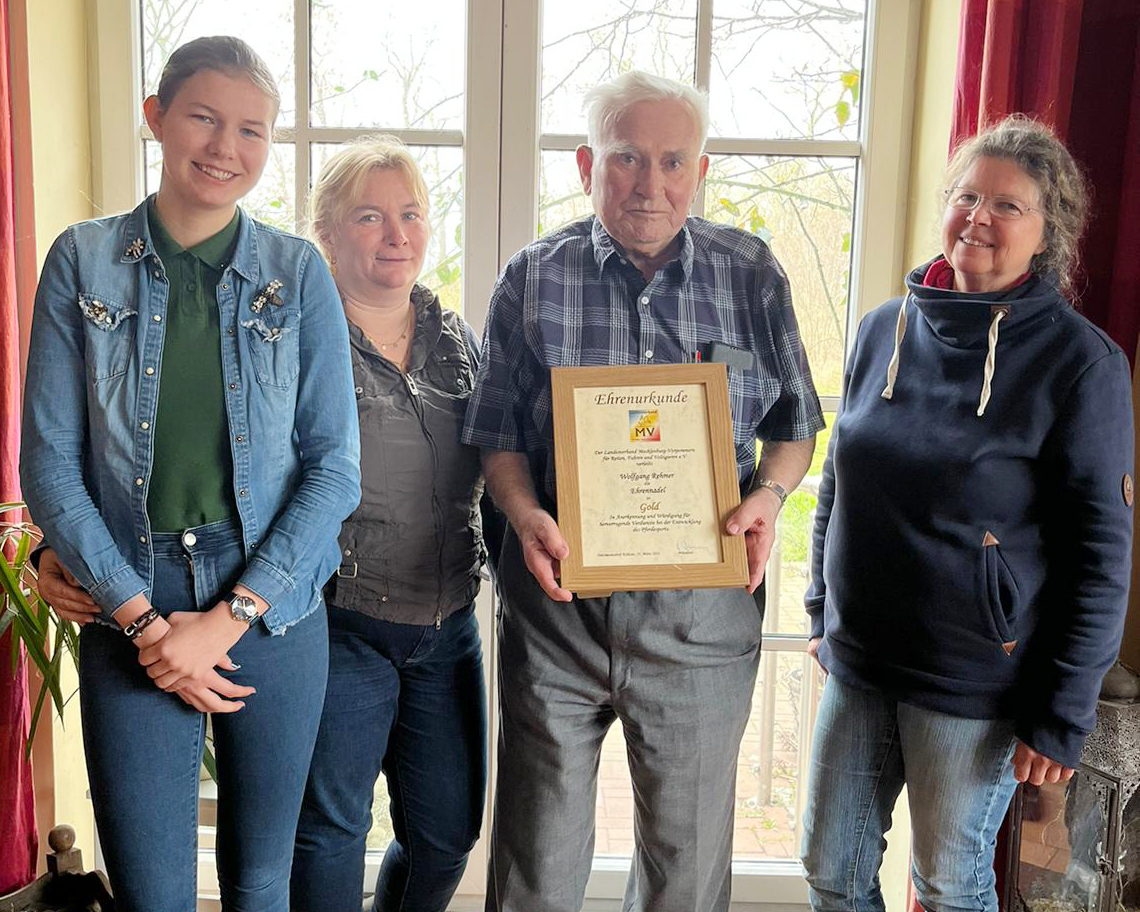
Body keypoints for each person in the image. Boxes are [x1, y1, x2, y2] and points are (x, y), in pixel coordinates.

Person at [461, 71, 824, 912]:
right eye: (626, 157)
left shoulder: (752, 274)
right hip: (558, 612)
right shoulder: (534, 276)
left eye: (671, 161)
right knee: (535, 865)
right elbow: (497, 435)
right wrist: (522, 513)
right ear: (589, 163)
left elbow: (797, 426)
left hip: (701, 617)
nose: (649, 184)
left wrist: (768, 496)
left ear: (700, 172)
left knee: (685, 869)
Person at [21, 36, 360, 912]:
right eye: (204, 117)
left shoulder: (298, 274)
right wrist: (142, 621)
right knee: (152, 891)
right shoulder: (81, 262)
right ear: (156, 117)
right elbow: (50, 462)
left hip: (273, 604)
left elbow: (334, 470)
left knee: (260, 884)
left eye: (252, 129)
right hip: (123, 589)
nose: (224, 147)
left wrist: (228, 618)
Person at [800, 115, 1134, 912]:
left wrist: (1062, 711)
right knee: (831, 871)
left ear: (1047, 231)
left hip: (975, 682)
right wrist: (820, 605)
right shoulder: (885, 327)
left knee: (949, 884)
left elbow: (1101, 556)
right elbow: (839, 478)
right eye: (966, 196)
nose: (979, 217)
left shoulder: (1081, 364)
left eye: (1008, 206)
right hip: (859, 662)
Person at [288, 137, 488, 912]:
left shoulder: (457, 341)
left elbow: (503, 465)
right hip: (338, 625)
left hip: (447, 626)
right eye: (370, 217)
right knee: (332, 831)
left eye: (410, 214)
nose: (396, 234)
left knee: (446, 837)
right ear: (328, 235)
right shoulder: (302, 344)